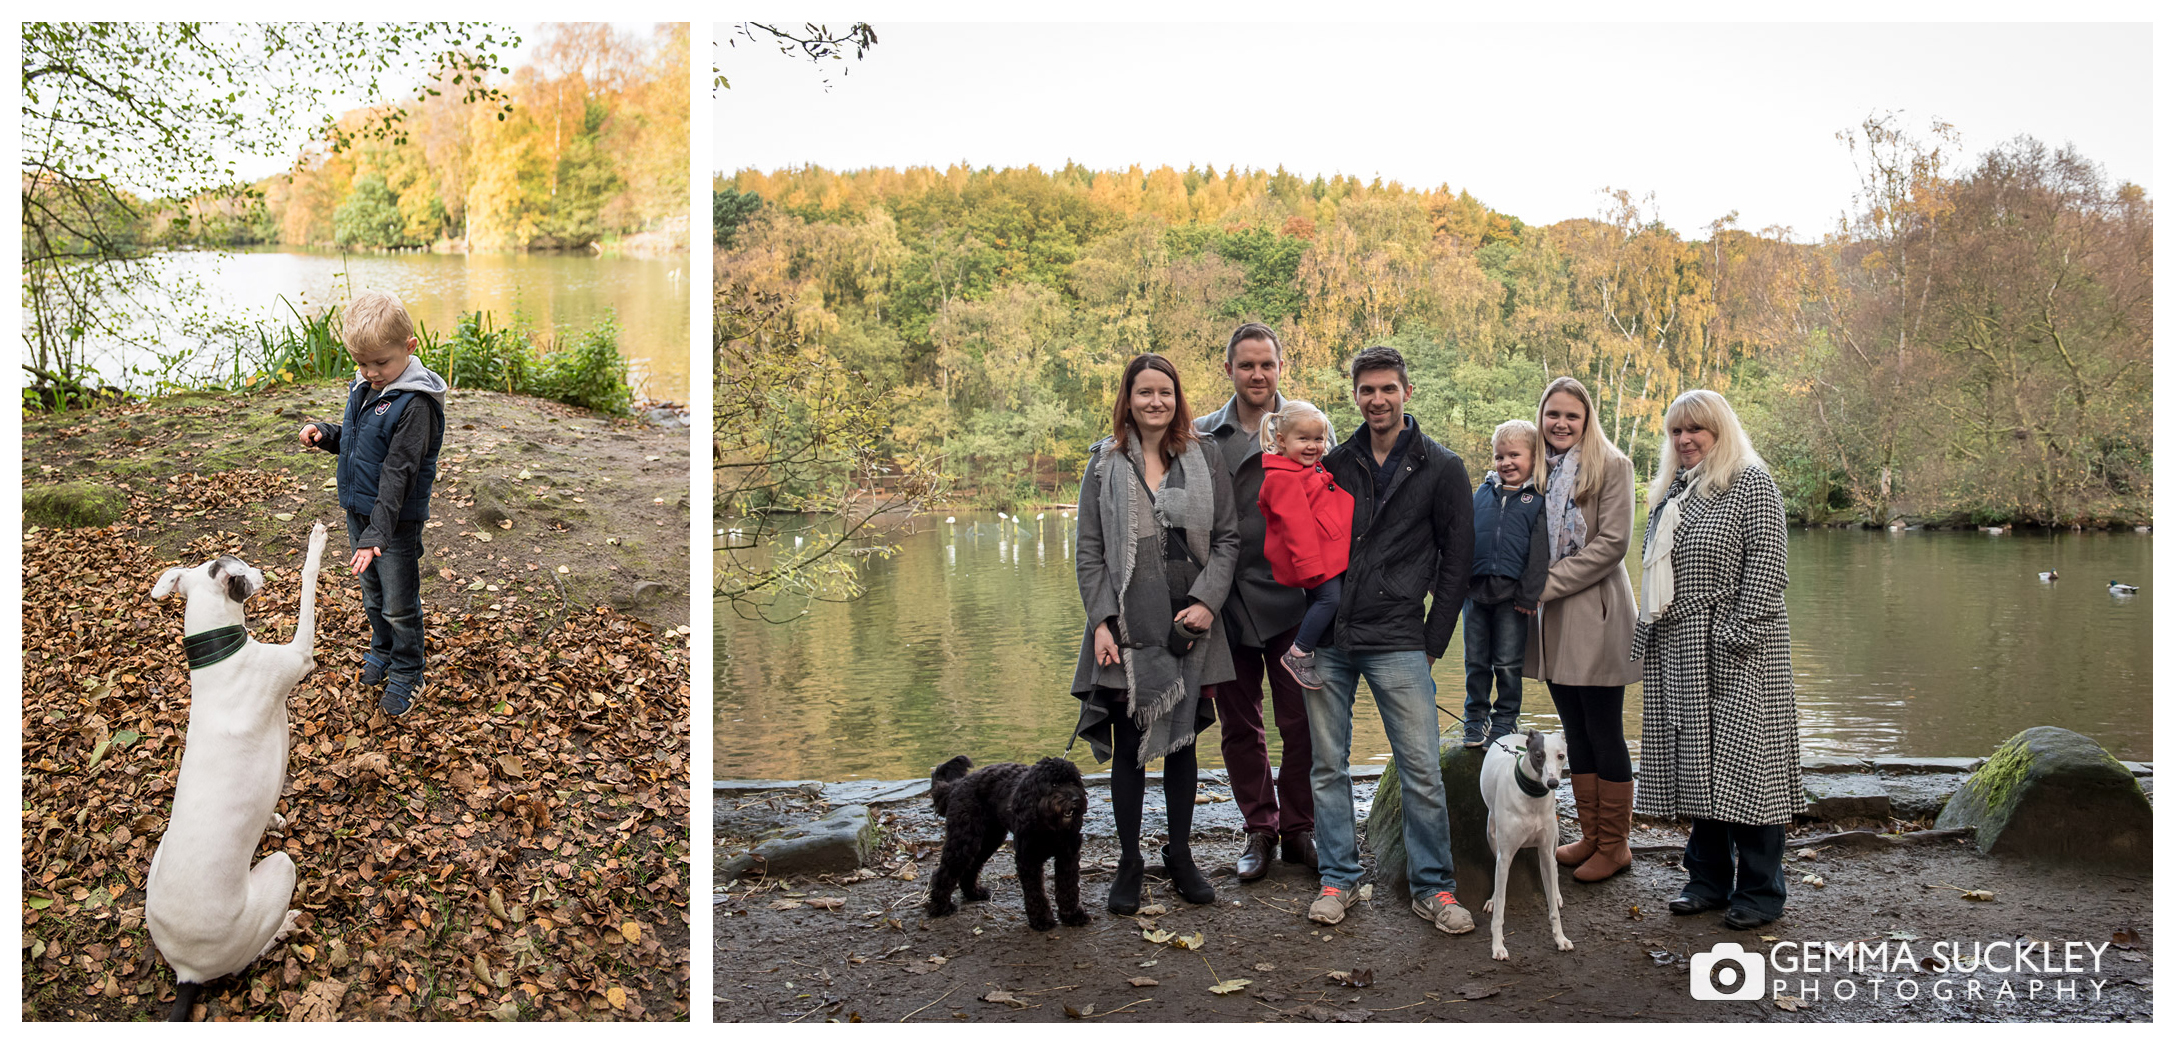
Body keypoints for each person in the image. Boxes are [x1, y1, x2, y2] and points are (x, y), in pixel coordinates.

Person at [1303, 345, 1476, 936]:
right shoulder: (1335, 460)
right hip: (1329, 637)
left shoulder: (1442, 467)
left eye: (1387, 389)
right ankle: (1338, 879)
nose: (1377, 399)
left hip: (1400, 635)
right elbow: (1305, 540)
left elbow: (1458, 561)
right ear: (1354, 394)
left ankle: (1434, 888)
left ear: (1407, 392)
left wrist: (1433, 639)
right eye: (1366, 390)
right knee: (1327, 766)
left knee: (1422, 768)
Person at [1070, 353, 1240, 914]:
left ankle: (1180, 854)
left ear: (1177, 397)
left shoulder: (1205, 454)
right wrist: (1100, 623)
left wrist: (1206, 604)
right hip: (1124, 623)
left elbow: (1226, 541)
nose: (1155, 401)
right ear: (1128, 398)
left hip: (1188, 620)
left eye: (1165, 392)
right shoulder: (1103, 462)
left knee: (1183, 744)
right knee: (1128, 750)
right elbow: (1090, 552)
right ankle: (1128, 861)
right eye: (1144, 392)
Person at [1634, 389, 1803, 930]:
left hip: (1740, 652)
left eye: (1696, 431)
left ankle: (1761, 891)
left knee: (1752, 772)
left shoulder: (1750, 482)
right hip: (1680, 650)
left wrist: (1734, 634)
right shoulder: (1674, 492)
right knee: (1700, 772)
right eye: (1677, 432)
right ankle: (1707, 879)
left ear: (1720, 432)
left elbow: (1768, 568)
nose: (1685, 441)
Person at [1193, 323, 1324, 881]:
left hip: (1293, 600)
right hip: (1226, 600)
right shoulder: (1200, 434)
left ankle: (1298, 827)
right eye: (1246, 365)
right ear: (1229, 370)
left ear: (1279, 367)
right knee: (1239, 724)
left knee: (1303, 722)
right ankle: (1259, 829)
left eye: (1266, 364)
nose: (1257, 374)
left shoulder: (1306, 426)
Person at [299, 290, 448, 719]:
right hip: (361, 513)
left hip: (394, 522)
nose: (370, 372)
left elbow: (399, 473)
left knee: (399, 601)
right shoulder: (367, 387)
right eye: (362, 363)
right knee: (372, 594)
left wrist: (377, 535)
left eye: (380, 362)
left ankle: (408, 668)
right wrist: (325, 434)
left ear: (410, 348)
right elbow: (359, 442)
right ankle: (382, 648)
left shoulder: (415, 404)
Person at [1522, 376, 1641, 883]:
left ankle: (1615, 845)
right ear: (1541, 418)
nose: (1562, 424)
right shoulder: (1533, 470)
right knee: (1574, 731)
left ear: (1587, 419)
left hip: (1594, 610)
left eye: (1572, 415)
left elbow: (1612, 544)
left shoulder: (1613, 466)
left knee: (1603, 728)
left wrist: (1542, 585)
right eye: (1553, 415)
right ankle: (1592, 836)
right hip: (1549, 622)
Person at [1462, 419, 1549, 748]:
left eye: (1515, 455)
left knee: (1509, 663)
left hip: (1513, 597)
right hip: (1476, 593)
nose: (1506, 463)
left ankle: (1505, 719)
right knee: (1475, 661)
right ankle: (1474, 717)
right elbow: (1464, 538)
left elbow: (1540, 552)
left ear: (1533, 458)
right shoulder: (1482, 493)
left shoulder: (1537, 499)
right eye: (1500, 456)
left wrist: (1530, 594)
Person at [1254, 400, 1351, 691]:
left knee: (1334, 598)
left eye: (1318, 439)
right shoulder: (1283, 478)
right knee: (1329, 599)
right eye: (1303, 439)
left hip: (1326, 553)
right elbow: (1297, 528)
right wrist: (1310, 568)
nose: (1312, 446)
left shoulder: (1300, 468)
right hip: (1314, 560)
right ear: (1281, 441)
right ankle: (1298, 652)